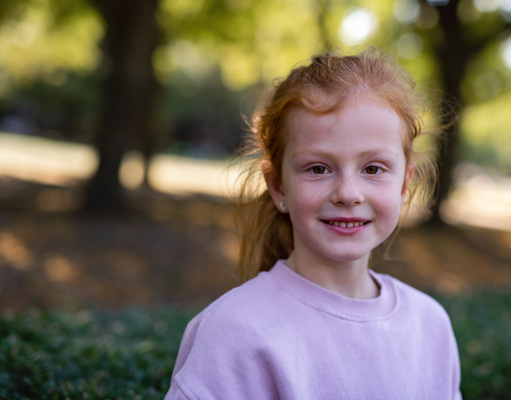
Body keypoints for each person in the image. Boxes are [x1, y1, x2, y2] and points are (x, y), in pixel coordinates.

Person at [165, 49, 462, 400]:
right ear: (278, 187)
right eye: (318, 168)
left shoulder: (430, 325)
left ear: (403, 185)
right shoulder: (234, 331)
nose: (348, 194)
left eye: (373, 168)